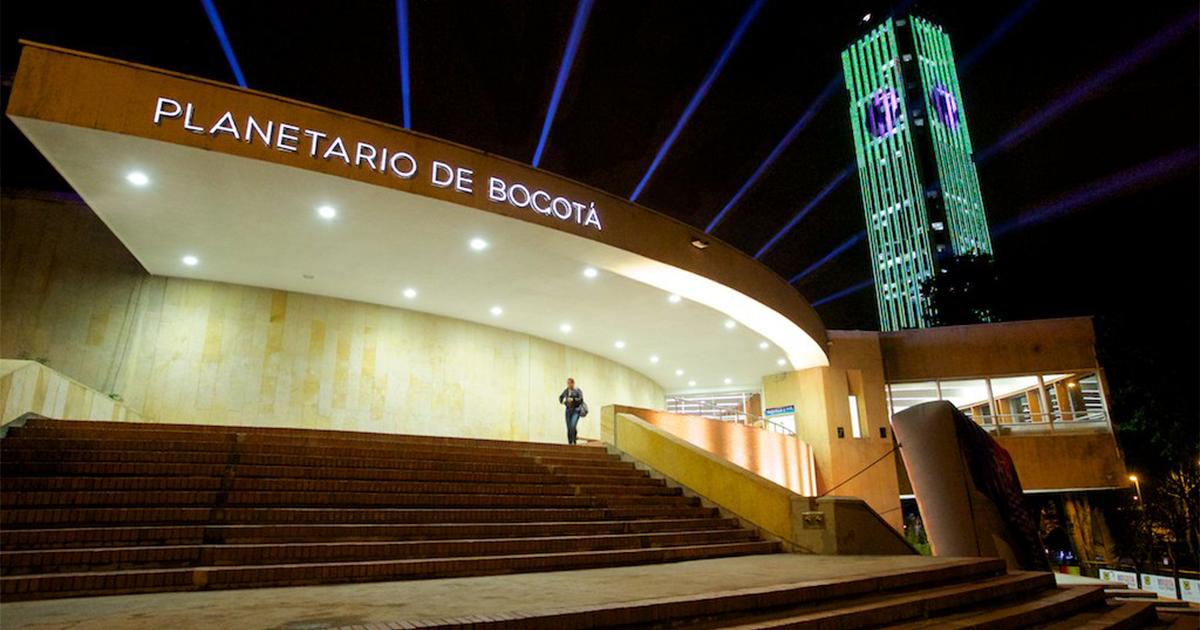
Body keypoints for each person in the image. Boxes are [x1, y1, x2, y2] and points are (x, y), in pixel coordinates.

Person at [558, 377, 584, 445]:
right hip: (568, 410)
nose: (569, 385)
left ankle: (574, 440)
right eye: (568, 383)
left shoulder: (577, 390)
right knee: (569, 427)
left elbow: (581, 400)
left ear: (573, 383)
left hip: (576, 410)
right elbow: (560, 397)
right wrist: (562, 401)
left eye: (570, 383)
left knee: (573, 425)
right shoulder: (566, 390)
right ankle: (570, 442)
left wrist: (573, 399)